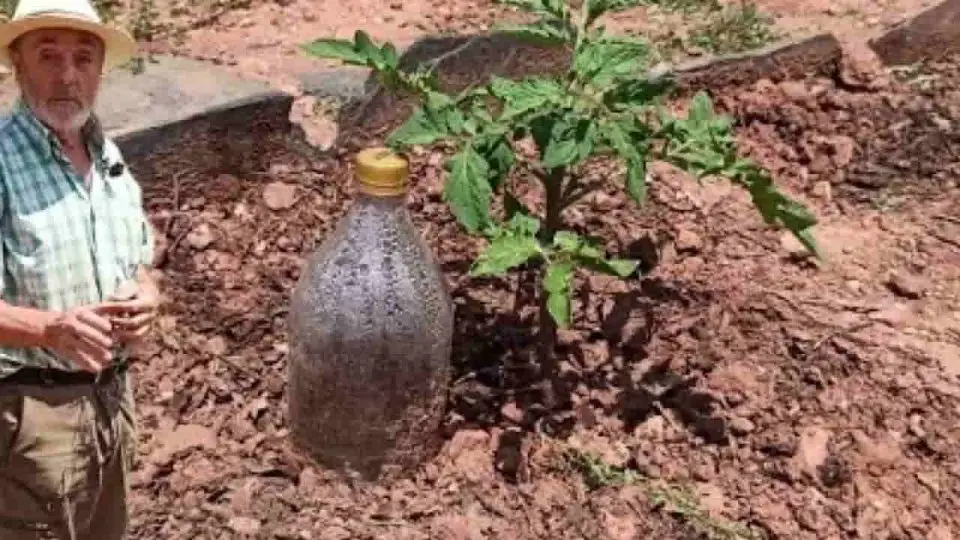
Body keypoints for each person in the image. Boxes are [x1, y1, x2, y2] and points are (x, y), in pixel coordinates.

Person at [0, 0, 158, 538]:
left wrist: (147, 292)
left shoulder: (108, 155)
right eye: (49, 56)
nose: (68, 76)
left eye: (84, 58)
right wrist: (49, 329)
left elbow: (140, 259)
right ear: (17, 64)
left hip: (112, 403)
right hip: (30, 418)